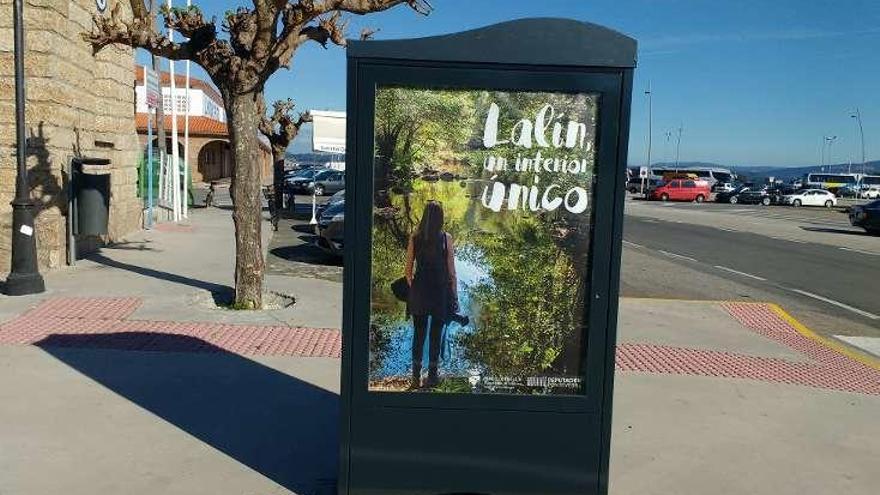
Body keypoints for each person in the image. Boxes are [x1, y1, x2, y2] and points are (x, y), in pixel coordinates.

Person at [405, 201, 458, 389]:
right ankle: (433, 377)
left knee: (418, 335)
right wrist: (454, 296)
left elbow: (408, 271)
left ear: (424, 217)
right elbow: (452, 272)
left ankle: (415, 378)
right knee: (435, 334)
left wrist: (415, 286)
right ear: (441, 218)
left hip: (420, 291)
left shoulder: (415, 237)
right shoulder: (446, 238)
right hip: (439, 292)